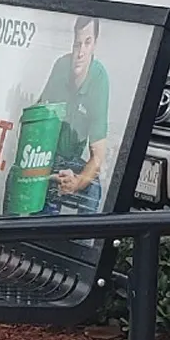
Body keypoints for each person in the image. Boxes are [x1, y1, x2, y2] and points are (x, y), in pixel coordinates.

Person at [37, 15, 110, 215]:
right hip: (46, 157)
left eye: (87, 43)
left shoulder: (99, 79)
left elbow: (98, 156)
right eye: (77, 44)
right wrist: (42, 166)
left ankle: (82, 242)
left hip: (72, 161)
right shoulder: (61, 66)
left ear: (95, 44)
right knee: (30, 185)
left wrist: (77, 182)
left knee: (93, 188)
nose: (81, 52)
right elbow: (37, 118)